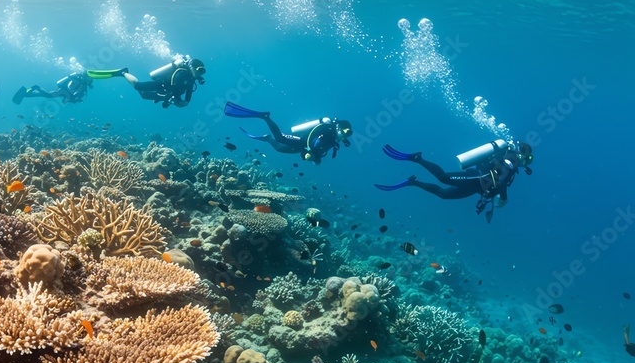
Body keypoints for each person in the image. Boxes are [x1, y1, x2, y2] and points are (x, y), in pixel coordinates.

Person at [375, 139, 533, 222]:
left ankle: (413, 182)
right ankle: (417, 158)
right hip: (477, 177)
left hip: (476, 186)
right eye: (528, 159)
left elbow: (500, 181)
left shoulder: (512, 161)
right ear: (523, 154)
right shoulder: (512, 159)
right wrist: (504, 197)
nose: (526, 163)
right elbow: (501, 181)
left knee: (443, 194)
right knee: (443, 178)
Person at [224, 102, 353, 164]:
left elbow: (319, 149)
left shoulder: (334, 141)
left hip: (302, 148)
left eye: (348, 135)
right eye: (346, 132)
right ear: (339, 128)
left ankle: (267, 138)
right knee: (279, 138)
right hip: (302, 141)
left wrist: (315, 158)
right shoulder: (328, 129)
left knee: (279, 148)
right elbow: (313, 141)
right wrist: (310, 152)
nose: (346, 136)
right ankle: (265, 117)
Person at [122, 55, 205, 108]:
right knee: (138, 86)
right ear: (192, 67)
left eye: (202, 72)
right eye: (199, 70)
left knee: (144, 96)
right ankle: (123, 72)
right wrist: (170, 101)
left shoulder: (191, 79)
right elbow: (173, 88)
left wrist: (186, 102)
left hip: (166, 93)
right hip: (160, 85)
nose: (200, 74)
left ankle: (123, 73)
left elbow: (189, 92)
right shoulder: (181, 73)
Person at [12, 71, 95, 105]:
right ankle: (35, 87)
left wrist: (70, 98)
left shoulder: (82, 85)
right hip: (62, 91)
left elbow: (75, 93)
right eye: (91, 79)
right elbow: (70, 88)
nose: (91, 81)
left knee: (46, 95)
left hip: (63, 92)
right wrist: (68, 98)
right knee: (47, 95)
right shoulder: (78, 81)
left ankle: (27, 93)